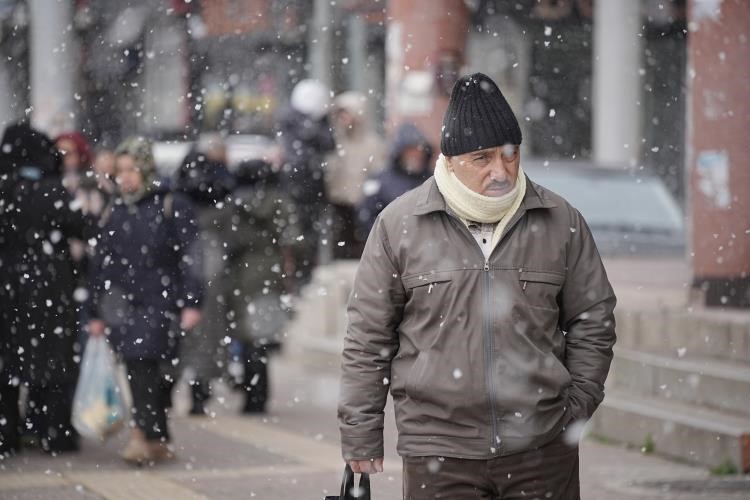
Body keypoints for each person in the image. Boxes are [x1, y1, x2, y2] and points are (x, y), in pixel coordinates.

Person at [338, 73, 616, 499]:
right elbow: (367, 335)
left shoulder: (561, 221)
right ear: (450, 160)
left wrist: (575, 405)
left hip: (541, 450)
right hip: (439, 452)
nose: (500, 171)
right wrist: (361, 432)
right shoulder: (399, 225)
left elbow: (593, 319)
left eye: (510, 155)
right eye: (482, 158)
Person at [86, 136, 203, 464]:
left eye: (132, 169)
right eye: (121, 170)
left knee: (161, 372)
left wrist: (193, 301)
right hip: (123, 304)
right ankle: (145, 436)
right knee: (139, 367)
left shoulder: (170, 204)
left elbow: (192, 256)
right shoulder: (114, 208)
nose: (126, 176)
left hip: (161, 300)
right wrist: (94, 309)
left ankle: (155, 434)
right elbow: (100, 263)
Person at [0, 123, 91, 455]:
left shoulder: (5, 190)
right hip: (50, 287)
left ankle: (6, 435)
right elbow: (80, 226)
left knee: (7, 364)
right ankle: (54, 433)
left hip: (7, 287)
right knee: (52, 363)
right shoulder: (51, 190)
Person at [221, 157, 301, 413]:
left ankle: (249, 396)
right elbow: (294, 239)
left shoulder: (234, 202)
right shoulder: (280, 202)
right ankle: (259, 396)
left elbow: (228, 239)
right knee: (261, 339)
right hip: (269, 275)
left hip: (240, 276)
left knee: (245, 338)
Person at [173, 134, 235, 415]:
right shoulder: (222, 198)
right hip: (209, 276)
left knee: (183, 335)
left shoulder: (178, 202)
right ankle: (200, 390)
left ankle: (173, 388)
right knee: (208, 334)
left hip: (183, 278)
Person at [277, 79, 336, 283]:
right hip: (297, 186)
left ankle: (306, 275)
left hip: (313, 187)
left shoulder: (319, 121)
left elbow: (329, 143)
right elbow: (296, 155)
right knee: (297, 235)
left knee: (311, 235)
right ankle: (300, 276)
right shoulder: (291, 121)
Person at [324, 91, 385, 259]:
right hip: (338, 205)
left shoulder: (372, 143)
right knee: (339, 252)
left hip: (363, 207)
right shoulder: (333, 141)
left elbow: (378, 176)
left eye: (347, 113)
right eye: (340, 114)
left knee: (363, 252)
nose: (344, 119)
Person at [356, 122, 432, 235]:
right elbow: (365, 215)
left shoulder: (433, 180)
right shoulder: (380, 181)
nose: (416, 154)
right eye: (410, 150)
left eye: (419, 149)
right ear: (400, 152)